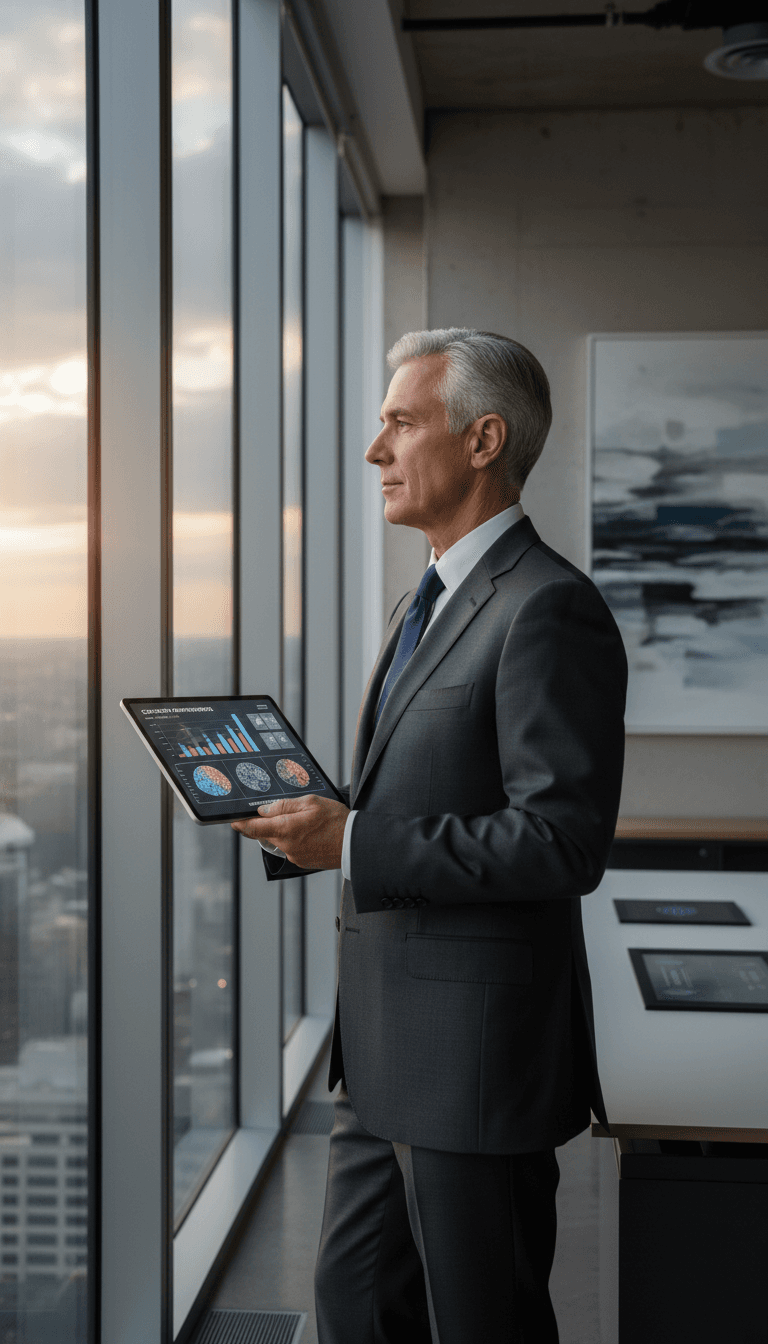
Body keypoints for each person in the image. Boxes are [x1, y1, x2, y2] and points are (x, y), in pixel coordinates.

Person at [233, 327, 627, 1344]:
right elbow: (426, 783)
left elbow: (560, 842)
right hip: (381, 1055)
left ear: (484, 439)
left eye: (401, 424)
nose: (377, 452)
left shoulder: (548, 609)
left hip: (473, 1066)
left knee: (481, 1322)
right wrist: (314, 822)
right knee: (356, 1309)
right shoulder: (429, 596)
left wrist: (354, 842)